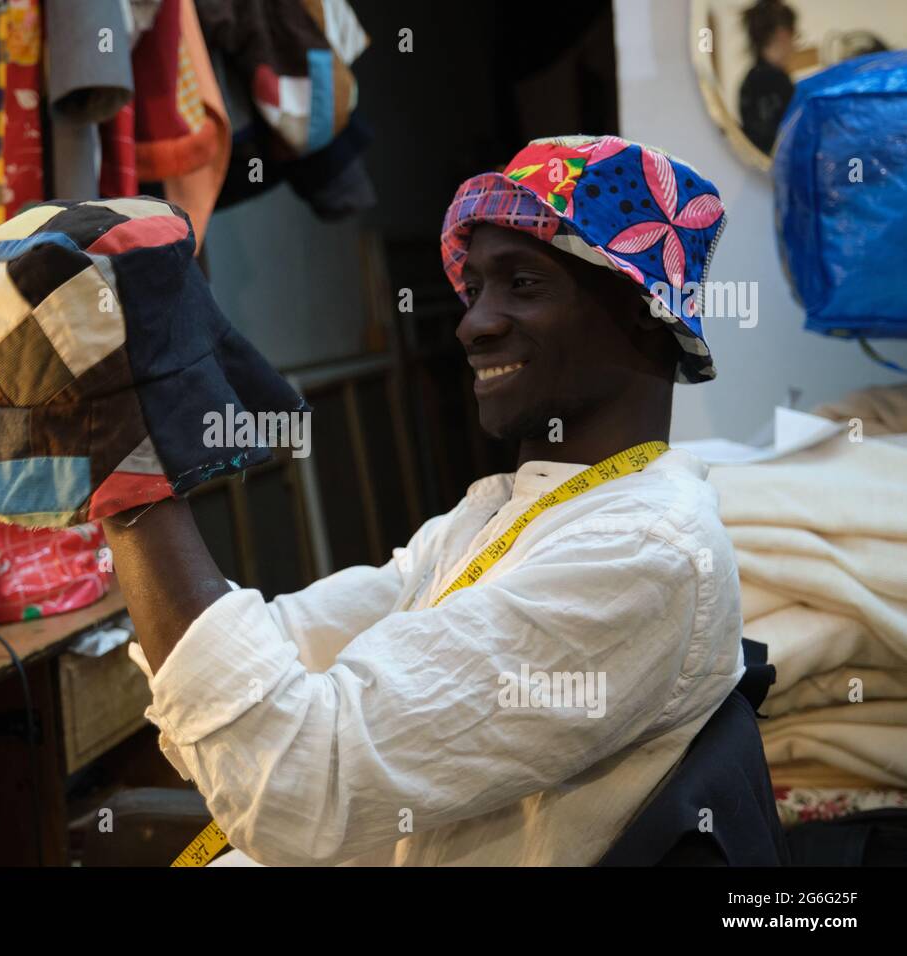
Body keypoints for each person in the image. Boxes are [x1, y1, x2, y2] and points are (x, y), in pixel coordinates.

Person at [105, 134, 742, 867]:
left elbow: (301, 782)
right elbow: (291, 645)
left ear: (641, 312)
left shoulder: (641, 554)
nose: (473, 323)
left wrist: (130, 483)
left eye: (523, 284)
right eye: (474, 289)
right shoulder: (505, 515)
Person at [738, 0, 797, 154]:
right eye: (794, 37)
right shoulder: (775, 81)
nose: (794, 46)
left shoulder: (749, 82)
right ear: (782, 34)